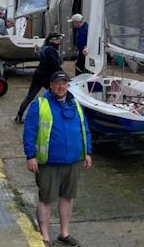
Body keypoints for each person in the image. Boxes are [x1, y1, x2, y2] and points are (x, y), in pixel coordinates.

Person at [23, 70, 92, 247]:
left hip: (73, 160)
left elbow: (85, 128)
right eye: (57, 83)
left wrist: (88, 152)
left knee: (67, 197)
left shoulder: (75, 103)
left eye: (64, 83)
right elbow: (29, 132)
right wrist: (31, 156)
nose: (61, 87)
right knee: (46, 199)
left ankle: (64, 233)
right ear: (51, 85)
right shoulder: (40, 104)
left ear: (68, 84)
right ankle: (45, 236)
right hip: (49, 162)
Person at [14, 32, 64, 123]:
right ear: (51, 40)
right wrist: (64, 76)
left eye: (59, 38)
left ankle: (19, 116)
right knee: (56, 95)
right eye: (57, 39)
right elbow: (55, 65)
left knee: (30, 96)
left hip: (39, 75)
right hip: (46, 77)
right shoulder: (51, 50)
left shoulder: (45, 48)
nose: (59, 40)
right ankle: (57, 116)